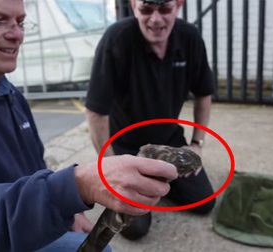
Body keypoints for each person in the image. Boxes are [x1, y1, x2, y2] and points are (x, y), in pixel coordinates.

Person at [0, 0, 179, 251]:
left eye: (20, 22)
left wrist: (68, 210)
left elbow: (34, 167)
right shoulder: (117, 39)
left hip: (18, 221)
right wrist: (78, 186)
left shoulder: (9, 92)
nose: (17, 35)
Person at [85, 0, 216, 240]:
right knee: (135, 229)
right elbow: (95, 111)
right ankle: (149, 182)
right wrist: (110, 165)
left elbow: (204, 92)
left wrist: (197, 143)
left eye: (165, 9)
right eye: (146, 9)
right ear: (134, 6)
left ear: (178, 5)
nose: (156, 19)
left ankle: (156, 180)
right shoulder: (117, 38)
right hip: (125, 146)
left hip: (170, 142)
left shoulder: (189, 37)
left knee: (204, 202)